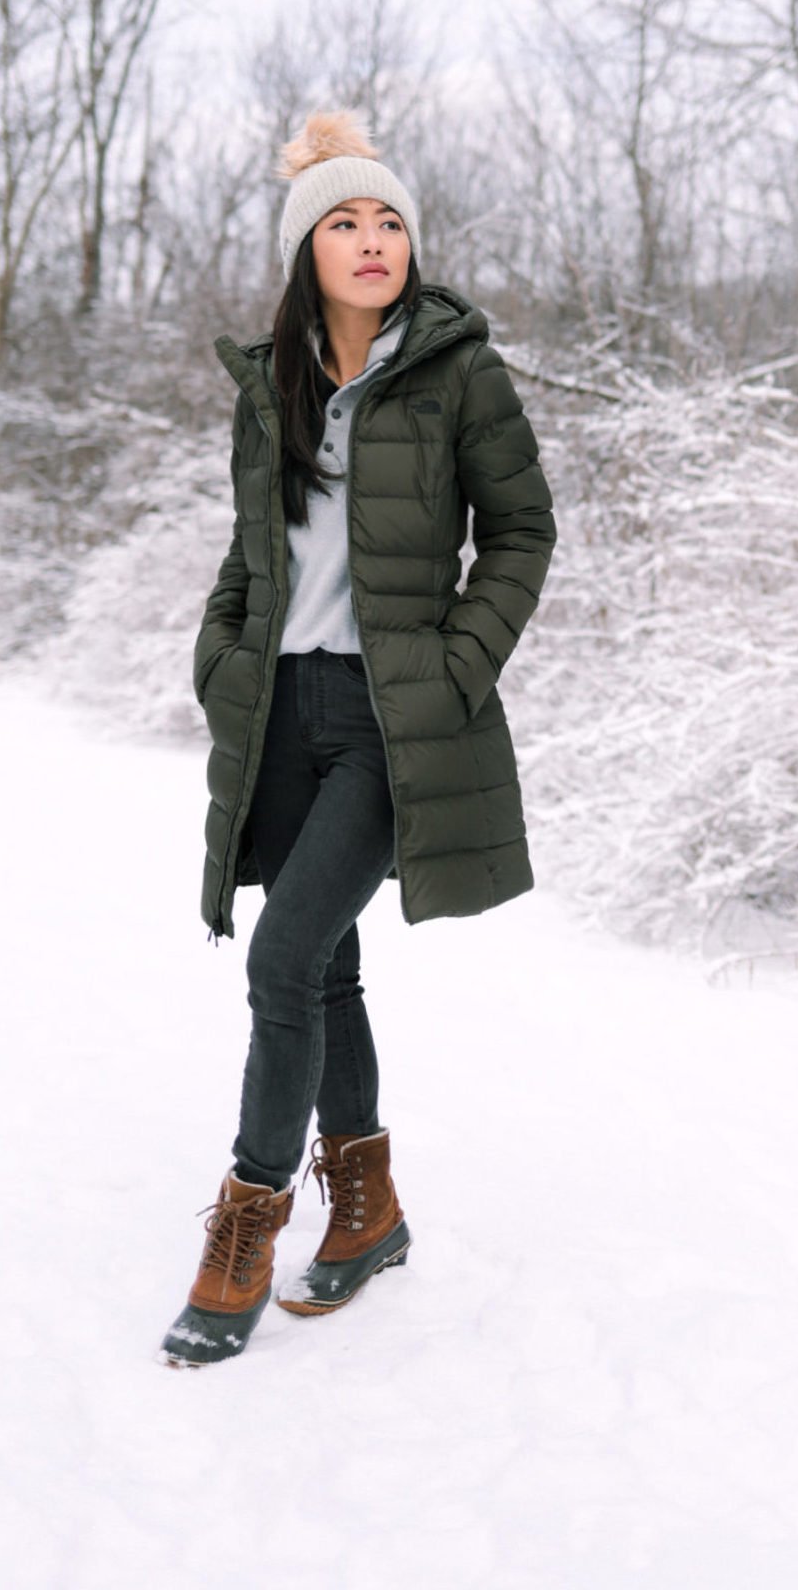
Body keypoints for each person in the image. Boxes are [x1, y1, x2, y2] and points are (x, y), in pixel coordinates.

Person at [160, 111, 557, 1367]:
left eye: (389, 219)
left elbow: (521, 533)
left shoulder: (458, 371)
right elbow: (249, 549)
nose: (374, 238)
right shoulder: (267, 385)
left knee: (280, 961)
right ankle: (372, 1206)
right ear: (305, 250)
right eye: (345, 220)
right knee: (324, 967)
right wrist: (220, 659)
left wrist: (454, 668)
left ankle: (249, 1216)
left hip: (392, 717)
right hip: (280, 709)